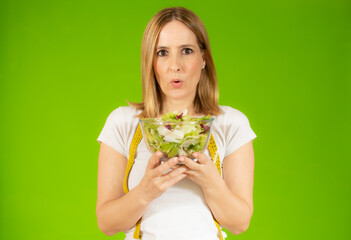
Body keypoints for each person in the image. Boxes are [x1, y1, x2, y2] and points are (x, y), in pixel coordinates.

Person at [96, 7, 257, 240]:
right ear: (150, 61)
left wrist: (211, 182)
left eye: (187, 51)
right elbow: (106, 224)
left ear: (203, 59)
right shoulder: (122, 122)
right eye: (162, 52)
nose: (175, 65)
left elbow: (240, 223)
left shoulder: (231, 124)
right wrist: (145, 191)